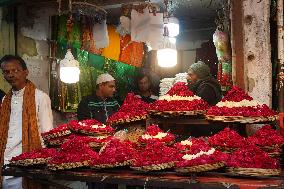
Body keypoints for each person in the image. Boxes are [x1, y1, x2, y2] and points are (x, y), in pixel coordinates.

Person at [0, 55, 53, 189]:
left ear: (25, 72)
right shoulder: (5, 100)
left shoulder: (40, 97)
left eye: (15, 70)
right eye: (6, 72)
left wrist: (40, 164)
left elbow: (47, 134)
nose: (11, 75)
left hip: (27, 166)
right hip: (5, 165)